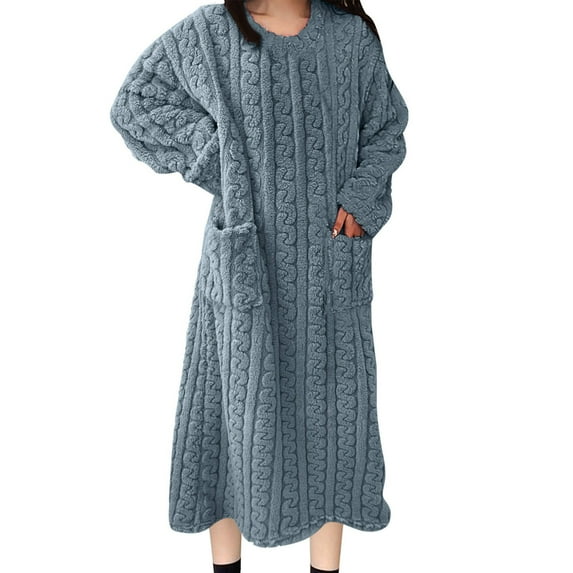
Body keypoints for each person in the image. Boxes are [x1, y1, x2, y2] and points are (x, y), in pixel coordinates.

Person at [109, 0, 409, 571]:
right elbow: (136, 102)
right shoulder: (211, 33)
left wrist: (361, 199)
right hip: (244, 263)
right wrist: (215, 155)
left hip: (329, 269)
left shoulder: (351, 40)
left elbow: (385, 129)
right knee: (233, 420)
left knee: (333, 422)